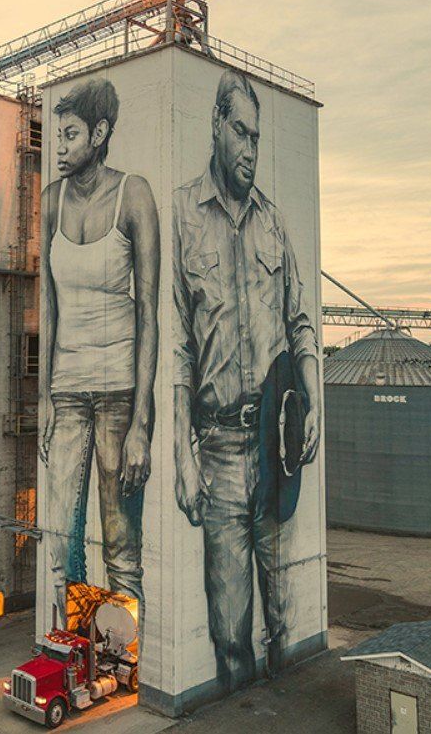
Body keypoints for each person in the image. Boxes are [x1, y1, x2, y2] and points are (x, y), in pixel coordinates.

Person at [172, 68, 321, 689]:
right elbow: (178, 348)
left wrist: (313, 398)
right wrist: (181, 453)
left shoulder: (275, 224)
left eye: (258, 138)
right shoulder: (182, 213)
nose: (251, 150)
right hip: (222, 455)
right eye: (241, 133)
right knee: (230, 628)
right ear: (216, 127)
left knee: (284, 617)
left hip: (278, 448)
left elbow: (301, 321)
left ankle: (287, 708)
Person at [40, 78, 160, 624]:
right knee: (61, 543)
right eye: (56, 135)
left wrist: (142, 423)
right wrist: (44, 398)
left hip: (118, 395)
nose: (59, 146)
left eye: (69, 135)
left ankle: (128, 663)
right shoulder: (49, 203)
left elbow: (149, 312)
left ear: (101, 133)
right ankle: (78, 648)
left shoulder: (134, 195)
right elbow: (48, 310)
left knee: (121, 548)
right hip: (67, 397)